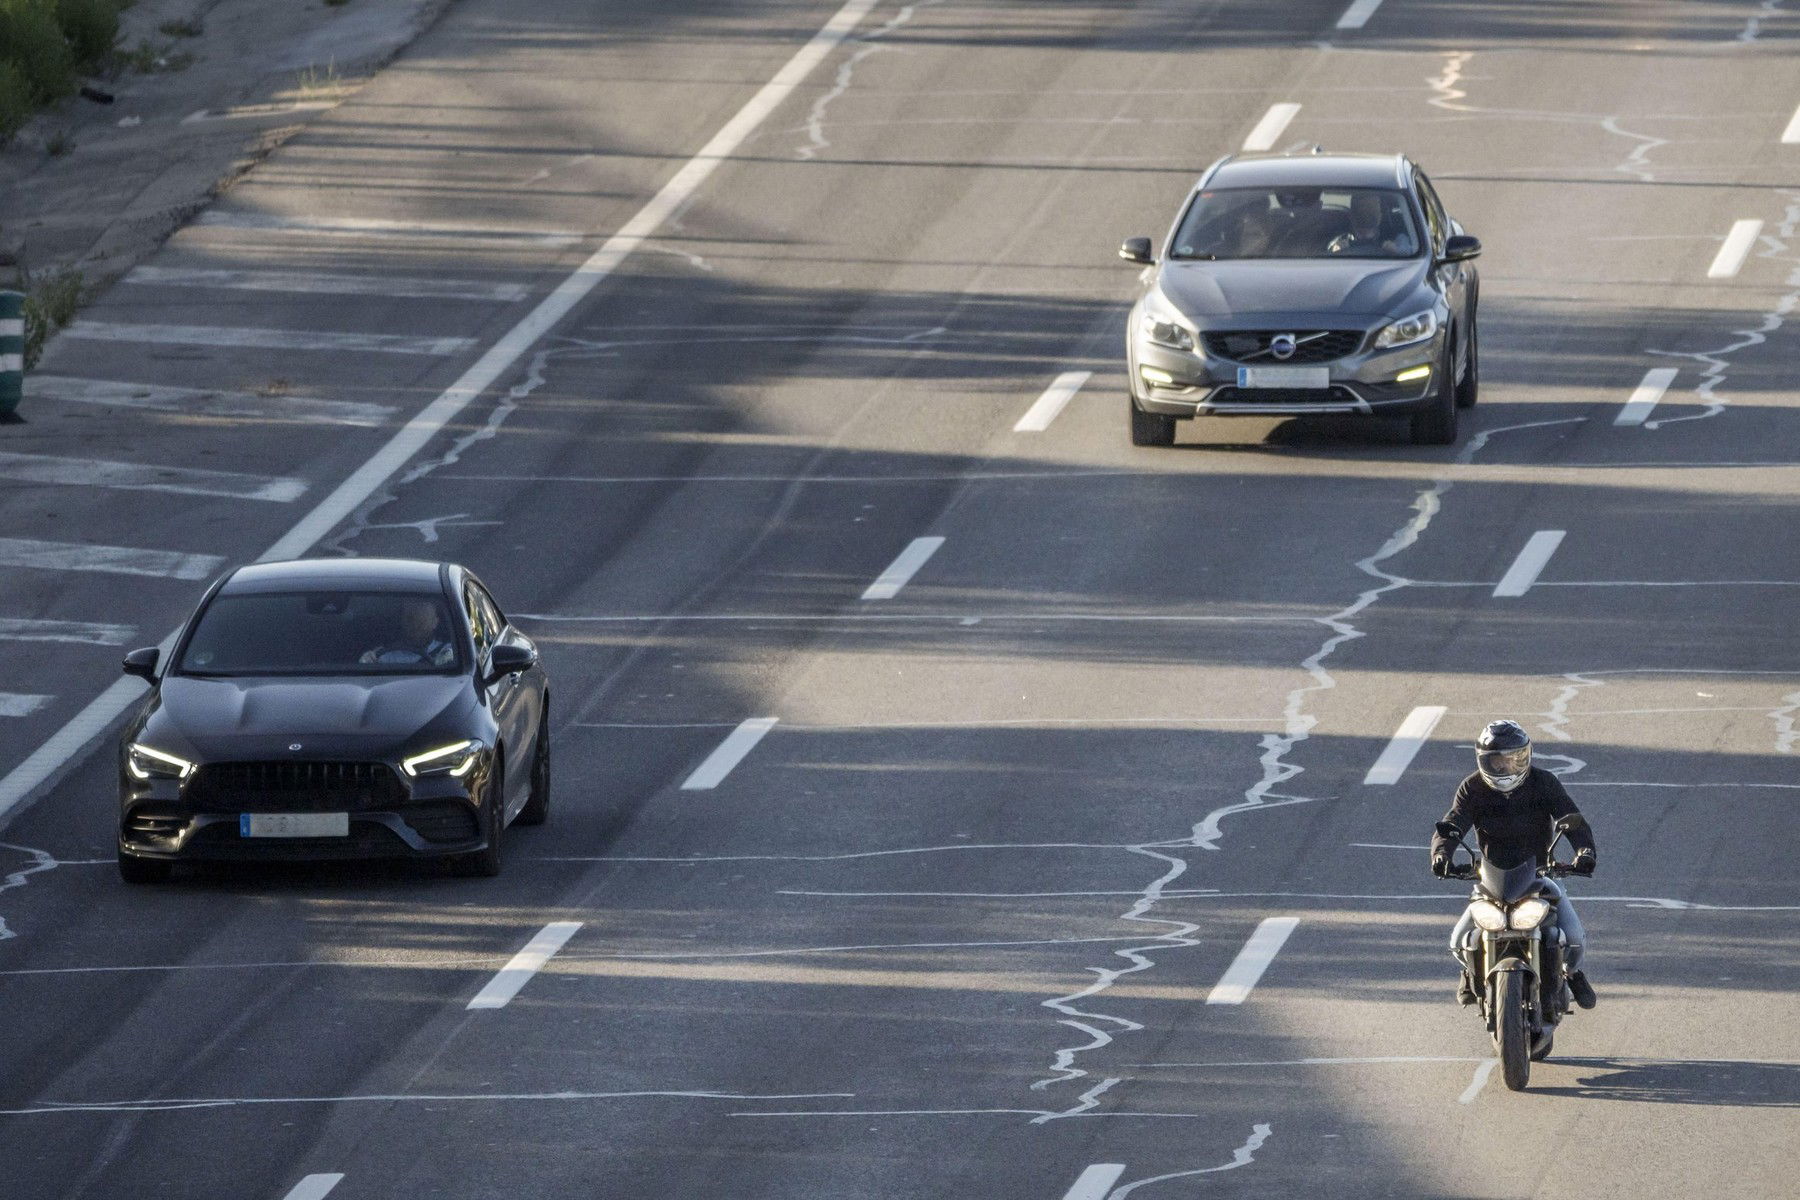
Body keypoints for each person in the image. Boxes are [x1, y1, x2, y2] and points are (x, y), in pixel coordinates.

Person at [1430, 720, 1598, 1010]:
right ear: (1483, 760)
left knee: (1574, 938)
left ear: (1526, 756)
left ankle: (1572, 973)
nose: (1505, 767)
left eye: (1513, 759)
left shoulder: (1544, 782)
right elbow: (1453, 822)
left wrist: (1584, 852)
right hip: (1491, 877)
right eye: (1496, 761)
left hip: (1541, 873)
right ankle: (1470, 972)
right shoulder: (1472, 787)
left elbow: (1571, 818)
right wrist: (1441, 855)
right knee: (1458, 940)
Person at [359, 596, 455, 667]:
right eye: (409, 618)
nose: (414, 623)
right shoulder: (383, 657)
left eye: (421, 621)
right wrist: (365, 662)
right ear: (401, 620)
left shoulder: (447, 653)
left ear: (435, 622)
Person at [1328, 192, 1409, 256]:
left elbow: (1410, 252)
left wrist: (1397, 251)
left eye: (1372, 210)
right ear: (1351, 217)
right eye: (1360, 211)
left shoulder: (1397, 238)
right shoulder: (1339, 239)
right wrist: (1335, 252)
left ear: (1380, 215)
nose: (1366, 214)